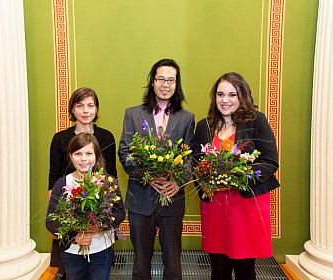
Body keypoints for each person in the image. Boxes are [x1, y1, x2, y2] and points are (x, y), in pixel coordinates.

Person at [193, 72, 280, 280]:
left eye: (232, 94)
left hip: (245, 207)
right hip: (214, 208)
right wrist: (204, 185)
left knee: (245, 270)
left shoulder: (256, 121)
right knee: (218, 269)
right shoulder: (204, 126)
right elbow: (195, 164)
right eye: (220, 94)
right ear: (214, 97)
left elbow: (270, 161)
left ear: (242, 96)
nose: (225, 100)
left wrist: (239, 179)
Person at [118, 58, 195, 280]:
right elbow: (125, 153)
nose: (165, 84)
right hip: (140, 200)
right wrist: (147, 177)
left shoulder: (187, 118)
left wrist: (178, 182)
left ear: (176, 84)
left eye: (171, 80)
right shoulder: (133, 114)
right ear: (152, 81)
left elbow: (190, 158)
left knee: (173, 265)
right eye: (161, 78)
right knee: (141, 266)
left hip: (172, 200)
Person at [48, 87, 117, 279]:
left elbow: (111, 177)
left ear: (96, 109)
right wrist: (57, 211)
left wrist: (102, 219)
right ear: (72, 110)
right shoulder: (59, 139)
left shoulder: (107, 137)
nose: (85, 111)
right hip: (68, 207)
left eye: (90, 105)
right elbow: (53, 178)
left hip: (98, 209)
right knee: (70, 269)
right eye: (80, 106)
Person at [46, 133, 125, 280]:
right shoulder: (62, 184)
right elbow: (50, 222)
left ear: (96, 155)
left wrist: (101, 225)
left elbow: (120, 212)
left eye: (89, 153)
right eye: (78, 154)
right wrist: (75, 237)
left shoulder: (107, 182)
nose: (83, 159)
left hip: (102, 250)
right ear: (70, 156)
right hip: (72, 254)